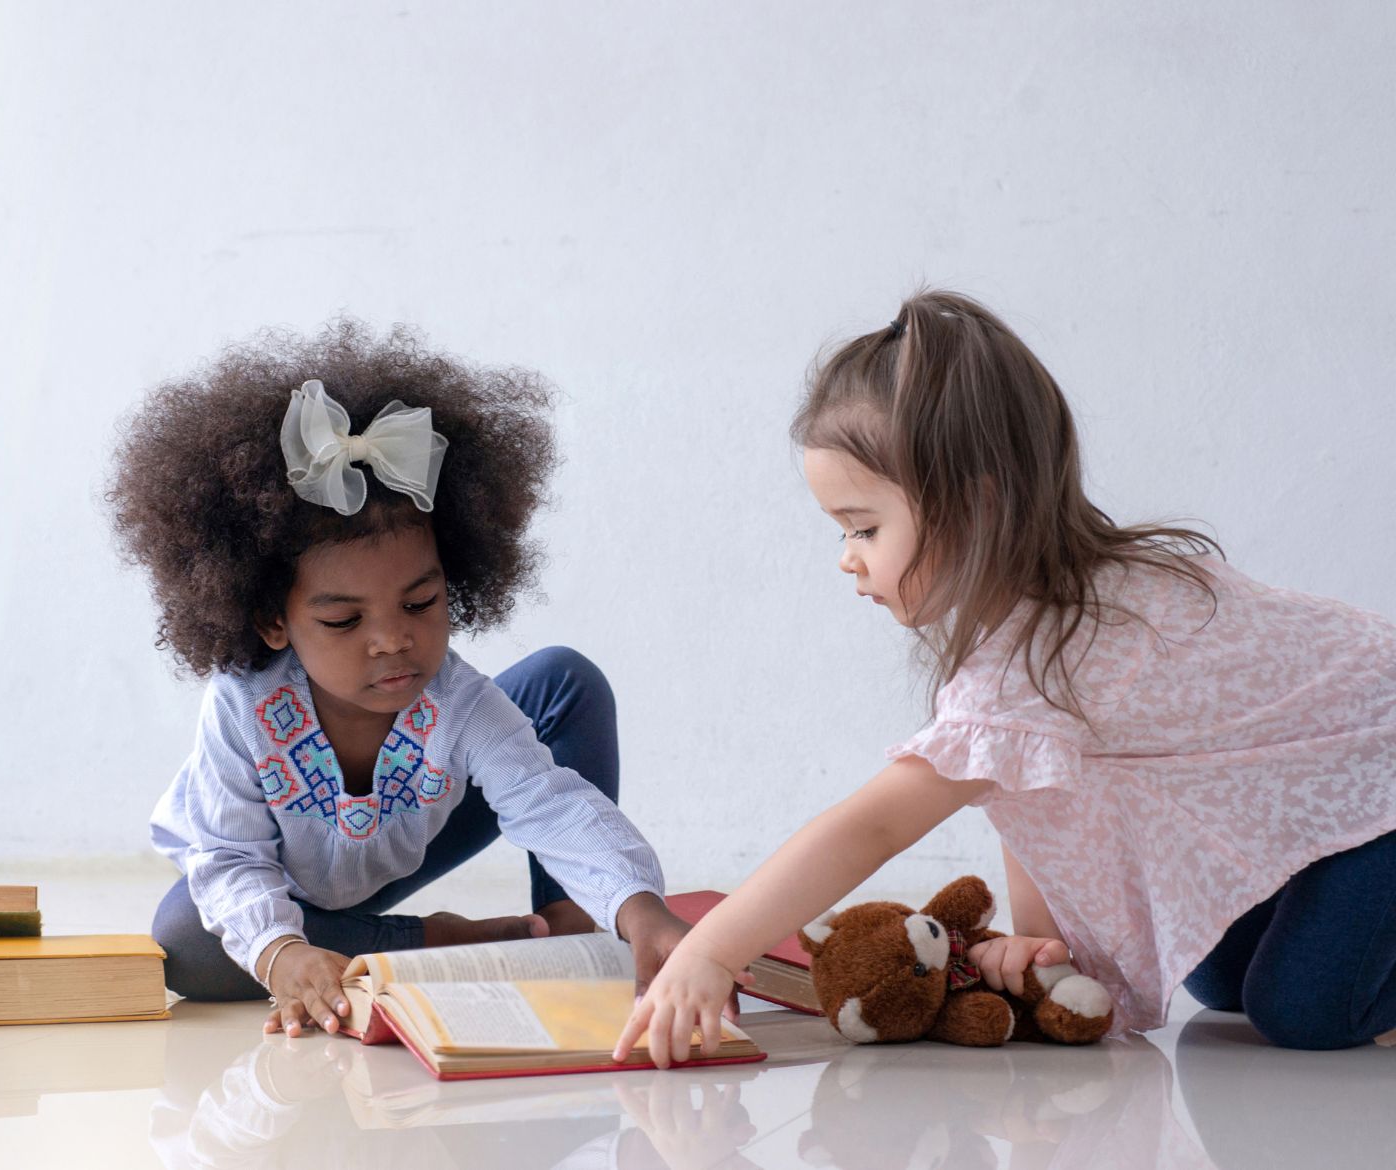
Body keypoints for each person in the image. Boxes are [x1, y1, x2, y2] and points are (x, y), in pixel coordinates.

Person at [616, 290, 1396, 1066]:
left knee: (1303, 1010)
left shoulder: (1079, 636)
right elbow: (1029, 797)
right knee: (1221, 976)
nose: (847, 556)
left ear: (974, 506)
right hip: (1348, 790)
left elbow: (874, 826)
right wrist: (1042, 952)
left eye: (864, 527)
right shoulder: (1040, 639)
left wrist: (711, 955)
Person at [110, 320, 688, 1037]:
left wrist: (636, 905)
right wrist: (283, 952)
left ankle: (568, 918)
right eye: (345, 621)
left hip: (409, 834)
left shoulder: (461, 702)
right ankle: (433, 942)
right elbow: (229, 856)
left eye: (420, 603)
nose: (393, 640)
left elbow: (550, 802)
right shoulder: (242, 704)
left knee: (565, 680)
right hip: (292, 882)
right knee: (186, 939)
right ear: (270, 619)